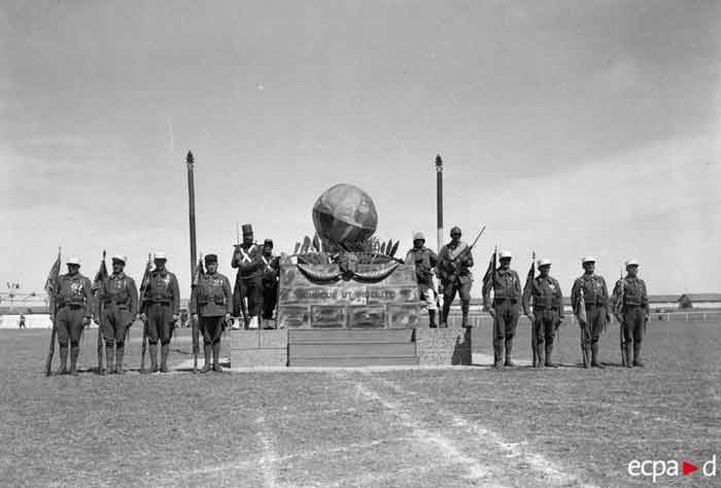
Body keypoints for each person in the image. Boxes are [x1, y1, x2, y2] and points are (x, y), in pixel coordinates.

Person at [190, 253, 232, 372]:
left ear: (217, 265)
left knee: (217, 338)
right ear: (206, 266)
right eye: (209, 265)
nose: (211, 267)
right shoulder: (200, 280)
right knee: (207, 339)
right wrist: (194, 312)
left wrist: (229, 311)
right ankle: (207, 364)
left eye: (213, 264)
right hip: (205, 312)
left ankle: (216, 364)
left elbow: (229, 295)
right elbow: (194, 297)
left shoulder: (223, 279)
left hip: (219, 312)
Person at [140, 252, 180, 373]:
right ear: (155, 262)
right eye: (157, 261)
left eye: (162, 261)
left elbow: (176, 296)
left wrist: (175, 312)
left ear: (165, 261)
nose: (159, 263)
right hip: (151, 309)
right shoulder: (149, 276)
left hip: (166, 309)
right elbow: (143, 293)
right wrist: (142, 311)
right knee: (152, 337)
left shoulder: (171, 277)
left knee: (165, 337)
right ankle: (153, 365)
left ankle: (163, 365)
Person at [53, 257, 94, 375]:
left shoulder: (84, 281)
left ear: (78, 267)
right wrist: (53, 313)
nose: (71, 268)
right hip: (62, 311)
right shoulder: (61, 279)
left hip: (77, 312)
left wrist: (87, 316)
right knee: (62, 340)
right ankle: (62, 366)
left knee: (75, 340)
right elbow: (54, 296)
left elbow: (90, 299)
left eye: (74, 266)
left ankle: (73, 367)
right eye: (70, 265)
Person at [99, 255, 138, 374]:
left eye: (119, 264)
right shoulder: (107, 281)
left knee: (120, 340)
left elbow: (134, 300)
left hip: (122, 312)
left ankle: (119, 366)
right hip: (108, 312)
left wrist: (131, 317)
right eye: (114, 264)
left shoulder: (129, 281)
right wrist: (97, 315)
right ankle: (109, 366)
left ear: (123, 266)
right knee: (109, 340)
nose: (116, 266)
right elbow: (99, 298)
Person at [483, 250, 522, 368]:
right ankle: (499, 359)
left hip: (513, 306)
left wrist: (519, 307)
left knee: (510, 333)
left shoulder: (514, 274)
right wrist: (489, 307)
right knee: (500, 334)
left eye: (508, 260)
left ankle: (508, 359)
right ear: (500, 261)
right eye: (504, 260)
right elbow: (487, 291)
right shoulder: (495, 274)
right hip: (500, 306)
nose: (506, 262)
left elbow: (519, 291)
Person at [522, 258, 564, 368]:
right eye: (544, 267)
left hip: (552, 313)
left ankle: (548, 360)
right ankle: (540, 360)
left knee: (550, 336)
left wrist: (561, 315)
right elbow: (525, 297)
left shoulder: (554, 282)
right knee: (539, 337)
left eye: (548, 267)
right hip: (539, 313)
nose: (546, 269)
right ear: (539, 269)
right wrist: (528, 312)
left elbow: (559, 298)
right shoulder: (534, 282)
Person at [571, 257, 611, 369]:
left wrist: (607, 312)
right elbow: (574, 297)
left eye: (592, 264)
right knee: (586, 336)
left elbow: (606, 296)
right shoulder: (580, 281)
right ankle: (587, 361)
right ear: (583, 266)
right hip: (587, 311)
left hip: (600, 310)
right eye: (588, 264)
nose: (591, 266)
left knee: (596, 336)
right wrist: (578, 313)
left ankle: (595, 360)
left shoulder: (600, 280)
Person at [612, 259, 649, 367]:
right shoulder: (622, 283)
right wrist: (618, 314)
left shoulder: (641, 283)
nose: (634, 269)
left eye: (636, 267)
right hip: (629, 312)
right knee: (628, 337)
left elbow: (645, 299)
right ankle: (628, 360)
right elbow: (615, 299)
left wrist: (647, 313)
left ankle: (636, 359)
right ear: (627, 269)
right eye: (631, 267)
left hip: (640, 311)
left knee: (639, 336)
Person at [437, 226, 474, 328]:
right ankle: (444, 321)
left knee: (465, 297)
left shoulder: (464, 248)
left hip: (463, 277)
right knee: (447, 299)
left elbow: (471, 262)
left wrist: (464, 260)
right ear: (451, 235)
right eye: (454, 235)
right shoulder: (445, 249)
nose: (456, 237)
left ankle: (465, 321)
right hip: (450, 277)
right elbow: (439, 263)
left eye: (458, 235)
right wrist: (448, 264)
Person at [231, 224, 264, 329]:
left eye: (250, 235)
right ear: (243, 236)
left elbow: (257, 263)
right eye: (246, 235)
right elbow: (233, 265)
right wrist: (237, 259)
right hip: (241, 278)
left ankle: (254, 319)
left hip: (253, 277)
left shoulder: (257, 248)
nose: (249, 237)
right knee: (236, 300)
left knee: (253, 300)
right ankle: (236, 320)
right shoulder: (238, 248)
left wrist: (244, 265)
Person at [405, 232, 439, 327]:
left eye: (420, 241)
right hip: (415, 281)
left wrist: (434, 270)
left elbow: (439, 261)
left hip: (427, 280)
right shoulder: (411, 253)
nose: (418, 243)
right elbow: (406, 265)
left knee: (431, 301)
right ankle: (413, 322)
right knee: (413, 302)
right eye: (417, 241)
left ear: (423, 242)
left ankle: (432, 322)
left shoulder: (428, 252)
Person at [260, 239, 280, 326]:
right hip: (262, 282)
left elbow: (279, 270)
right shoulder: (260, 258)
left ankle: (269, 322)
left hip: (272, 283)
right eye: (266, 246)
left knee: (271, 303)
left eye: (269, 246)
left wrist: (274, 272)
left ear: (272, 248)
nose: (268, 248)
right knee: (263, 303)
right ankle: (263, 322)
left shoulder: (275, 259)